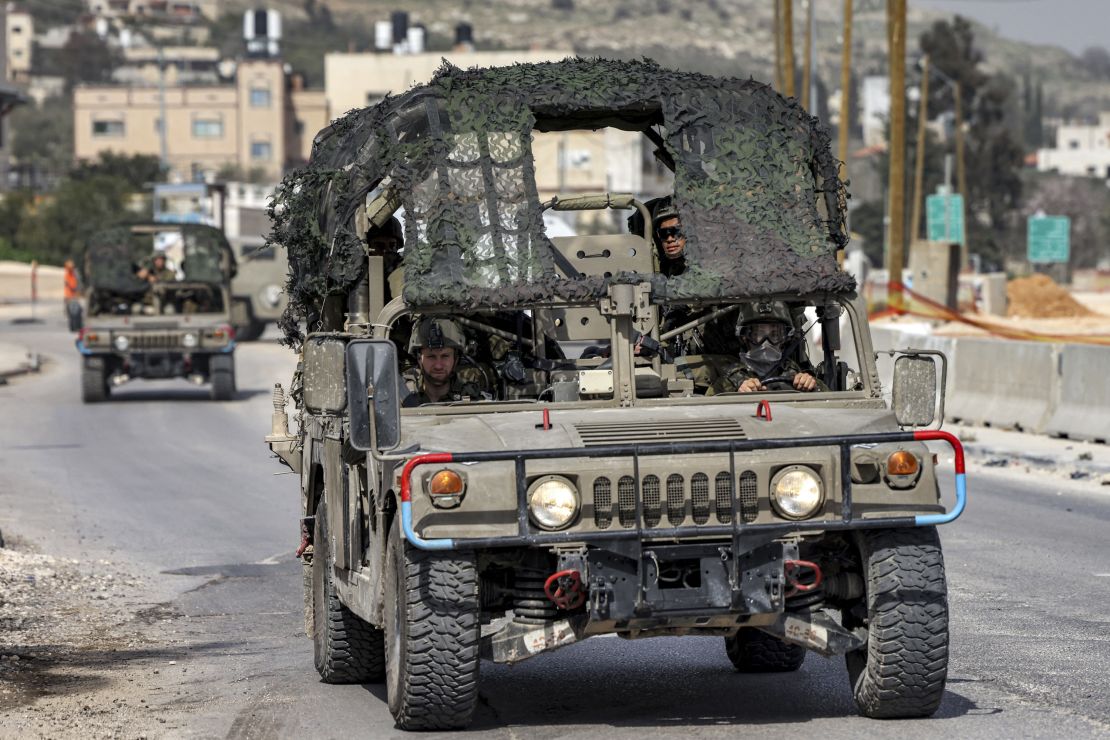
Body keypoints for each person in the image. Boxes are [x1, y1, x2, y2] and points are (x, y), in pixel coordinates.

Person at [716, 301, 826, 394]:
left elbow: (829, 402)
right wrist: (735, 390)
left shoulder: (795, 373)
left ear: (785, 338)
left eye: (775, 334)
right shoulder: (729, 378)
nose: (766, 343)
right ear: (744, 337)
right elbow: (709, 406)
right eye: (758, 334)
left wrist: (812, 385)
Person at [402, 317, 483, 406]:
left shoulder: (473, 398)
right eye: (431, 357)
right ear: (419, 359)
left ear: (456, 359)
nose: (438, 366)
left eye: (445, 356)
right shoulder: (402, 395)